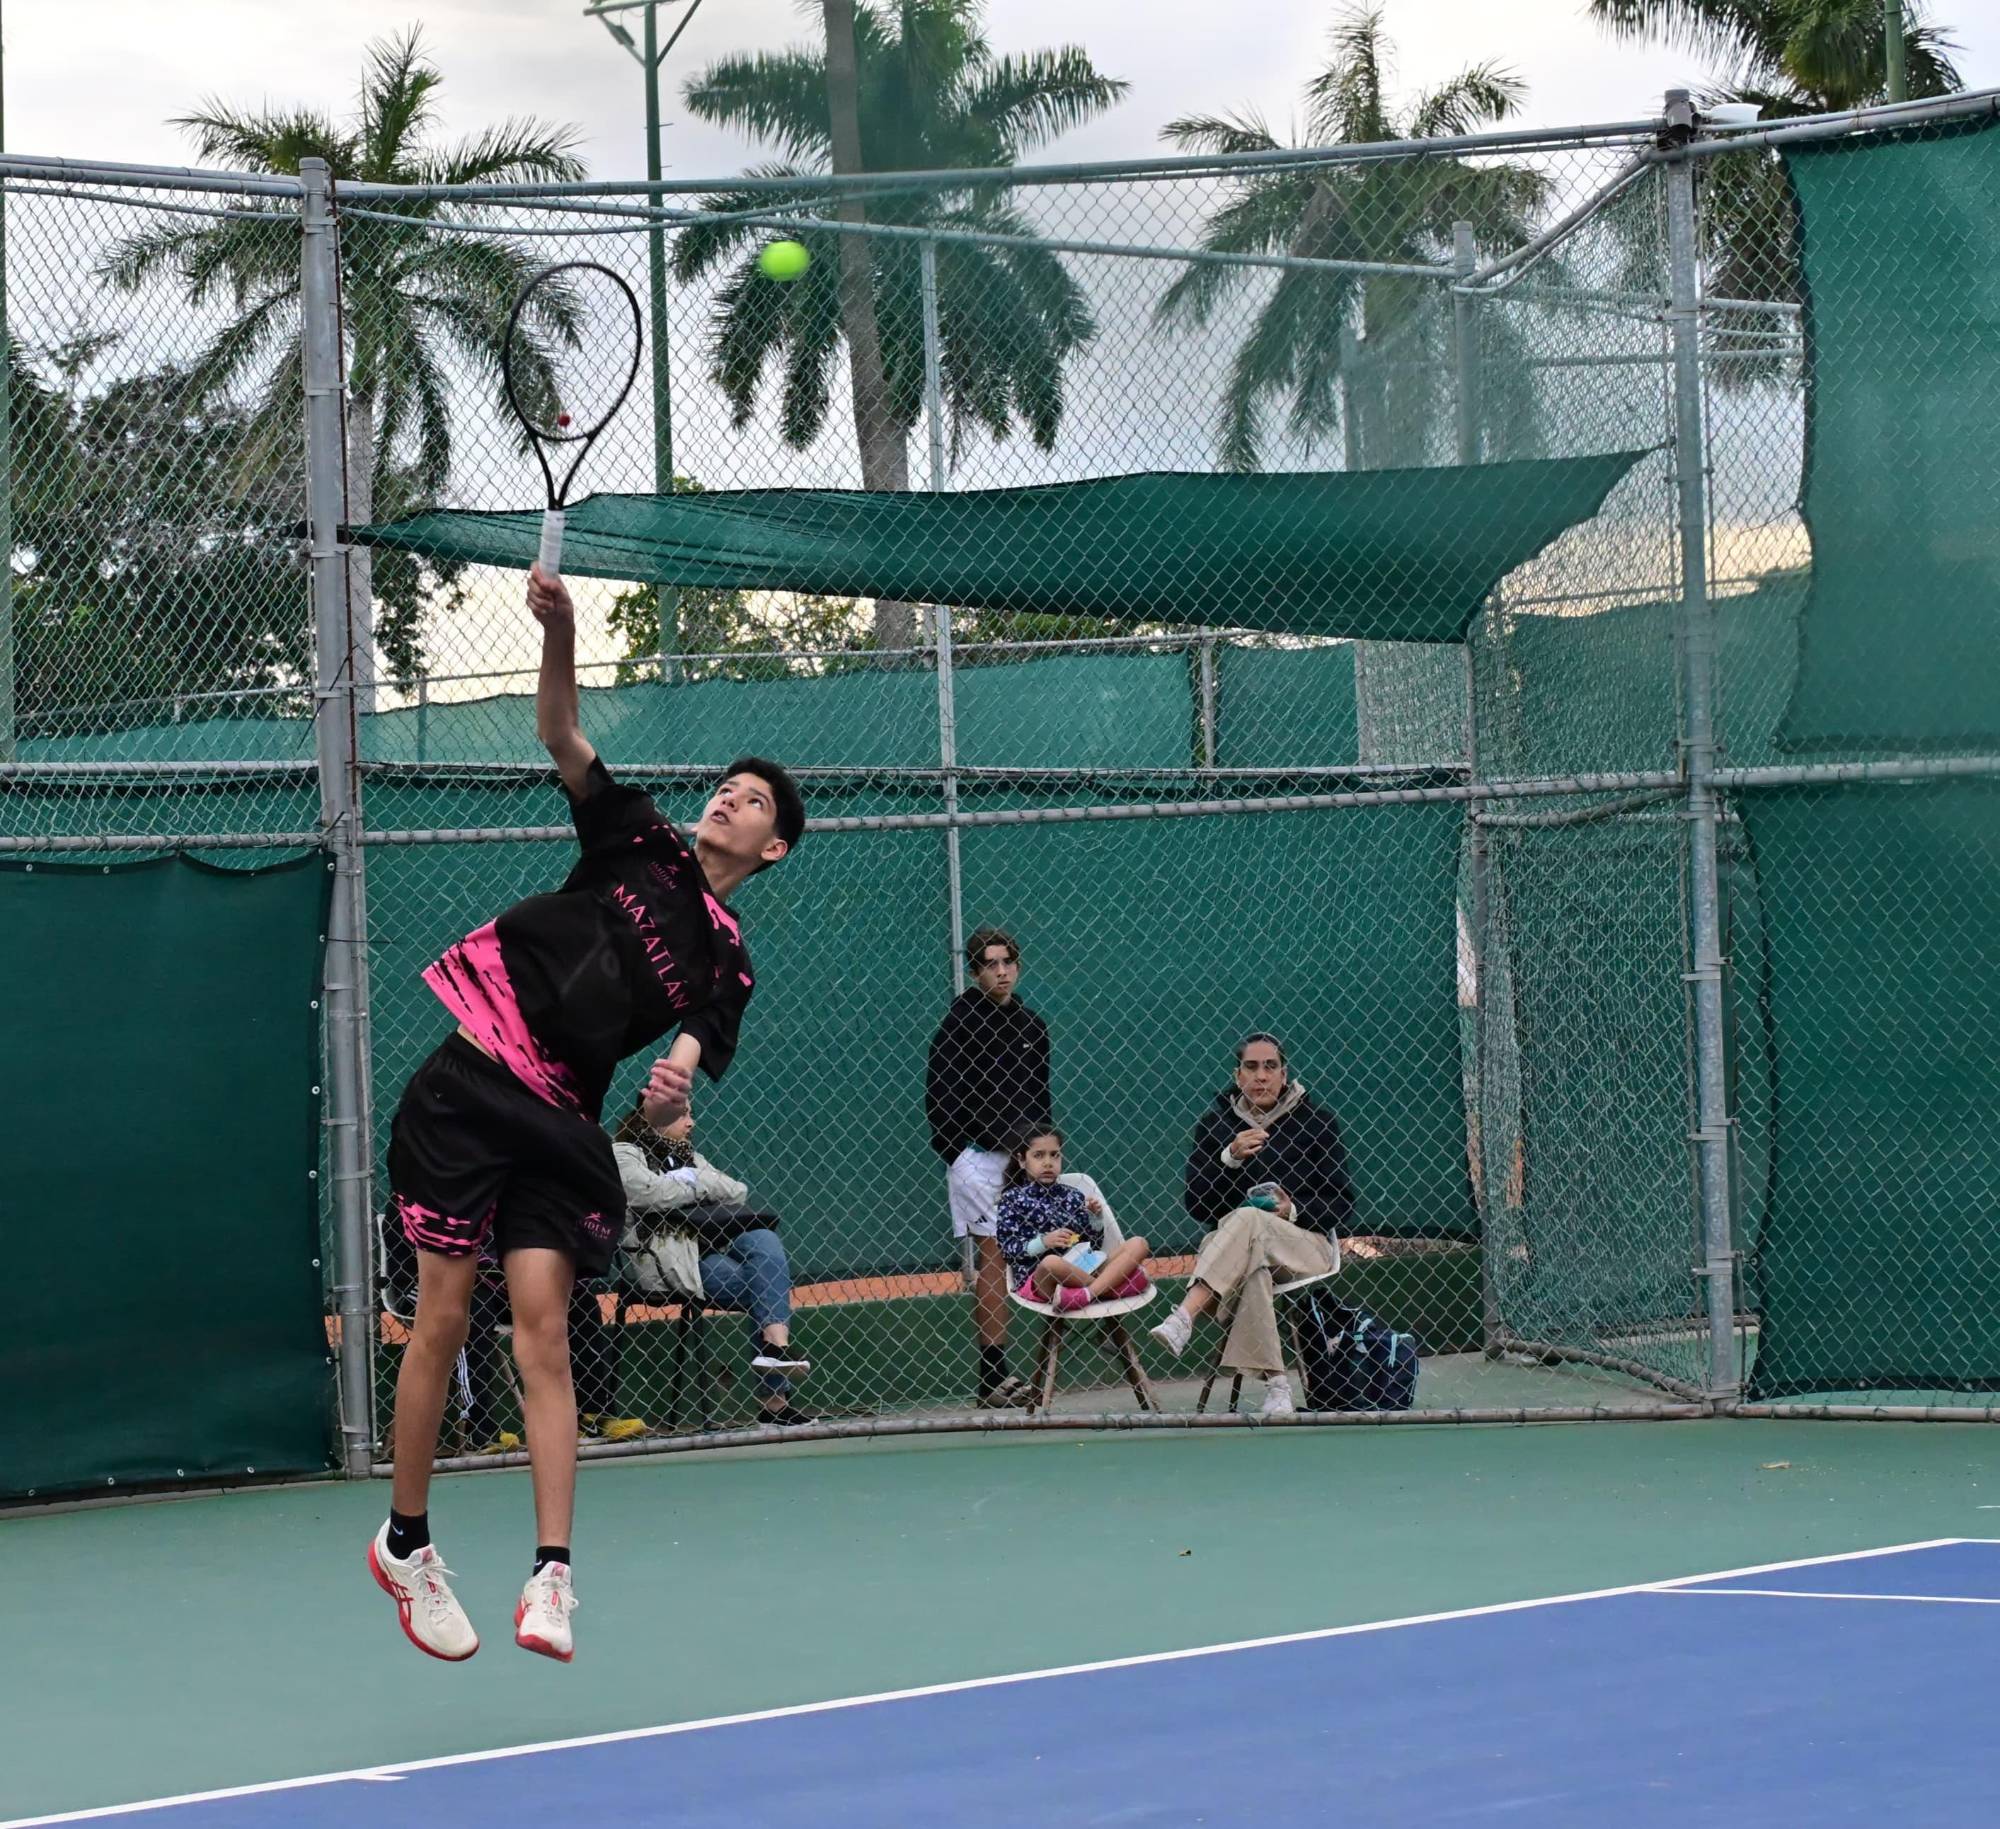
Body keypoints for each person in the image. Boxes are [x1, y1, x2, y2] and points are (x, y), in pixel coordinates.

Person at [368, 559, 804, 1666]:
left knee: (546, 1332)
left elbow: (696, 1037)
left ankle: (551, 1575)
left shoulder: (730, 955)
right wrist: (559, 630)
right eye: (728, 785)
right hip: (473, 1083)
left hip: (559, 1120)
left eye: (752, 800)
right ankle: (405, 1541)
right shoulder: (642, 840)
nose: (729, 798)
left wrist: (671, 1078)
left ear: (773, 846)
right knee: (443, 1317)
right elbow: (560, 730)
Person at [1150, 1033, 1356, 1418]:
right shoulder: (1215, 1127)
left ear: (1284, 1074)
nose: (1261, 1076)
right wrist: (1228, 1159)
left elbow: (1342, 1204)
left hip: (1304, 1243)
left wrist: (1292, 1209)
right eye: (1251, 1067)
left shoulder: (1317, 1123)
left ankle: (1185, 1316)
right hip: (1242, 1251)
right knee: (1254, 1265)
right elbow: (1197, 1204)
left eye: (1270, 1067)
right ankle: (1278, 1387)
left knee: (1250, 1220)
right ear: (1237, 1073)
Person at [611, 1098, 814, 1427]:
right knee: (765, 1287)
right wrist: (693, 1183)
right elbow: (649, 1192)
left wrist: (687, 1179)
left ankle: (775, 1348)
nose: (691, 1123)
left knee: (764, 1239)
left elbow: (736, 1191)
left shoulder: (688, 1155)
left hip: (710, 1249)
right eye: (683, 1115)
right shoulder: (624, 1153)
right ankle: (774, 1402)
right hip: (670, 1261)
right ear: (657, 1117)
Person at [925, 927, 1054, 1408]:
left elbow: (1040, 1099)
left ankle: (1035, 1363)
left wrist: (1038, 1156)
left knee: (1044, 1249)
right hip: (977, 1159)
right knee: (995, 1255)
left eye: (1007, 962)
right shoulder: (961, 1022)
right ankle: (993, 1379)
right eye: (990, 964)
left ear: (1018, 965)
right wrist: (959, 1154)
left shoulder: (1033, 1027)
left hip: (1024, 1161)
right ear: (976, 971)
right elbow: (939, 1097)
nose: (1001, 972)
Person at [995, 1125, 1150, 1310]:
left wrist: (1094, 1219)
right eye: (1038, 1155)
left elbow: (1093, 1244)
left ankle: (1087, 1294)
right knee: (1051, 1262)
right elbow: (1007, 1250)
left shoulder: (1073, 1196)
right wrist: (1043, 1242)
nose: (1047, 1162)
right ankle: (1114, 1288)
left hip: (1083, 1269)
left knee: (1139, 1244)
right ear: (1021, 1160)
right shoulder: (1012, 1199)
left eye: (1054, 1155)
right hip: (1041, 1278)